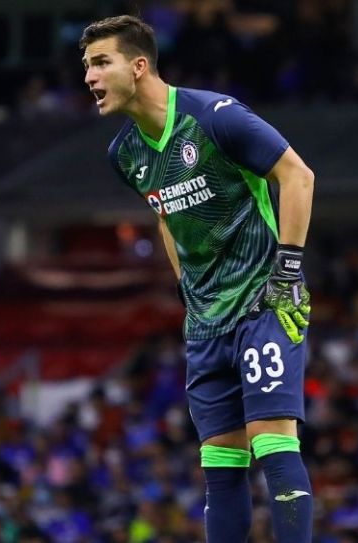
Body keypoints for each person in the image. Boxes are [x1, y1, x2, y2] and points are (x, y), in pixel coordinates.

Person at [80, 15, 316, 542]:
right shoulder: (126, 154)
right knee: (220, 465)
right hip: (206, 324)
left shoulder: (214, 117)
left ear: (138, 66)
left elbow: (298, 176)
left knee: (272, 443)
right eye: (87, 66)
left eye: (101, 63)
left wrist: (289, 271)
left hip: (262, 300)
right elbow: (167, 215)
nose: (90, 78)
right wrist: (190, 296)